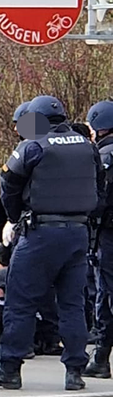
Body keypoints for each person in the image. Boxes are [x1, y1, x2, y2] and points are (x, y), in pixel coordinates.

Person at [0, 95, 104, 391]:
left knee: (20, 301)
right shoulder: (86, 145)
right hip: (78, 233)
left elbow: (8, 185)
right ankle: (74, 371)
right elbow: (99, 186)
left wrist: (14, 217)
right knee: (72, 304)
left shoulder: (33, 145)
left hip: (40, 233)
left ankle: (10, 368)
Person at [87, 100, 113, 378]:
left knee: (105, 293)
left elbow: (98, 200)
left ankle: (101, 358)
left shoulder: (104, 155)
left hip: (108, 234)